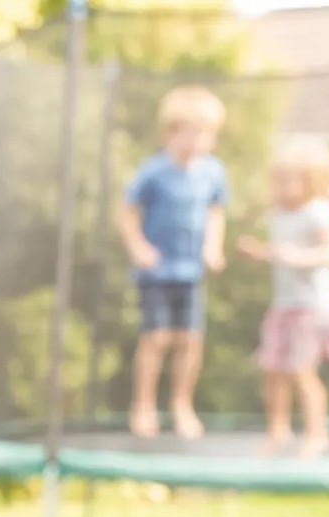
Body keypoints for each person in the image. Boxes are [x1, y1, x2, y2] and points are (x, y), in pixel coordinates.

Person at [237, 135, 329, 458]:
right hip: (284, 307)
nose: (281, 186)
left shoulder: (318, 212)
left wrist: (294, 256)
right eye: (277, 179)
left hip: (314, 308)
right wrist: (261, 253)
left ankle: (316, 433)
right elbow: (279, 253)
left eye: (289, 179)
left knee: (301, 370)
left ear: (311, 181)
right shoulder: (279, 213)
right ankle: (277, 432)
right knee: (273, 370)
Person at [115, 84, 227, 441]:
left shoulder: (212, 172)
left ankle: (182, 406)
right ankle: (143, 406)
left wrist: (213, 246)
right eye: (189, 133)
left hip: (189, 272)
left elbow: (216, 212)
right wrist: (138, 247)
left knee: (190, 340)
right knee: (157, 338)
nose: (196, 141)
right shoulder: (154, 171)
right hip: (157, 271)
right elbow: (127, 213)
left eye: (204, 134)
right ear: (169, 133)